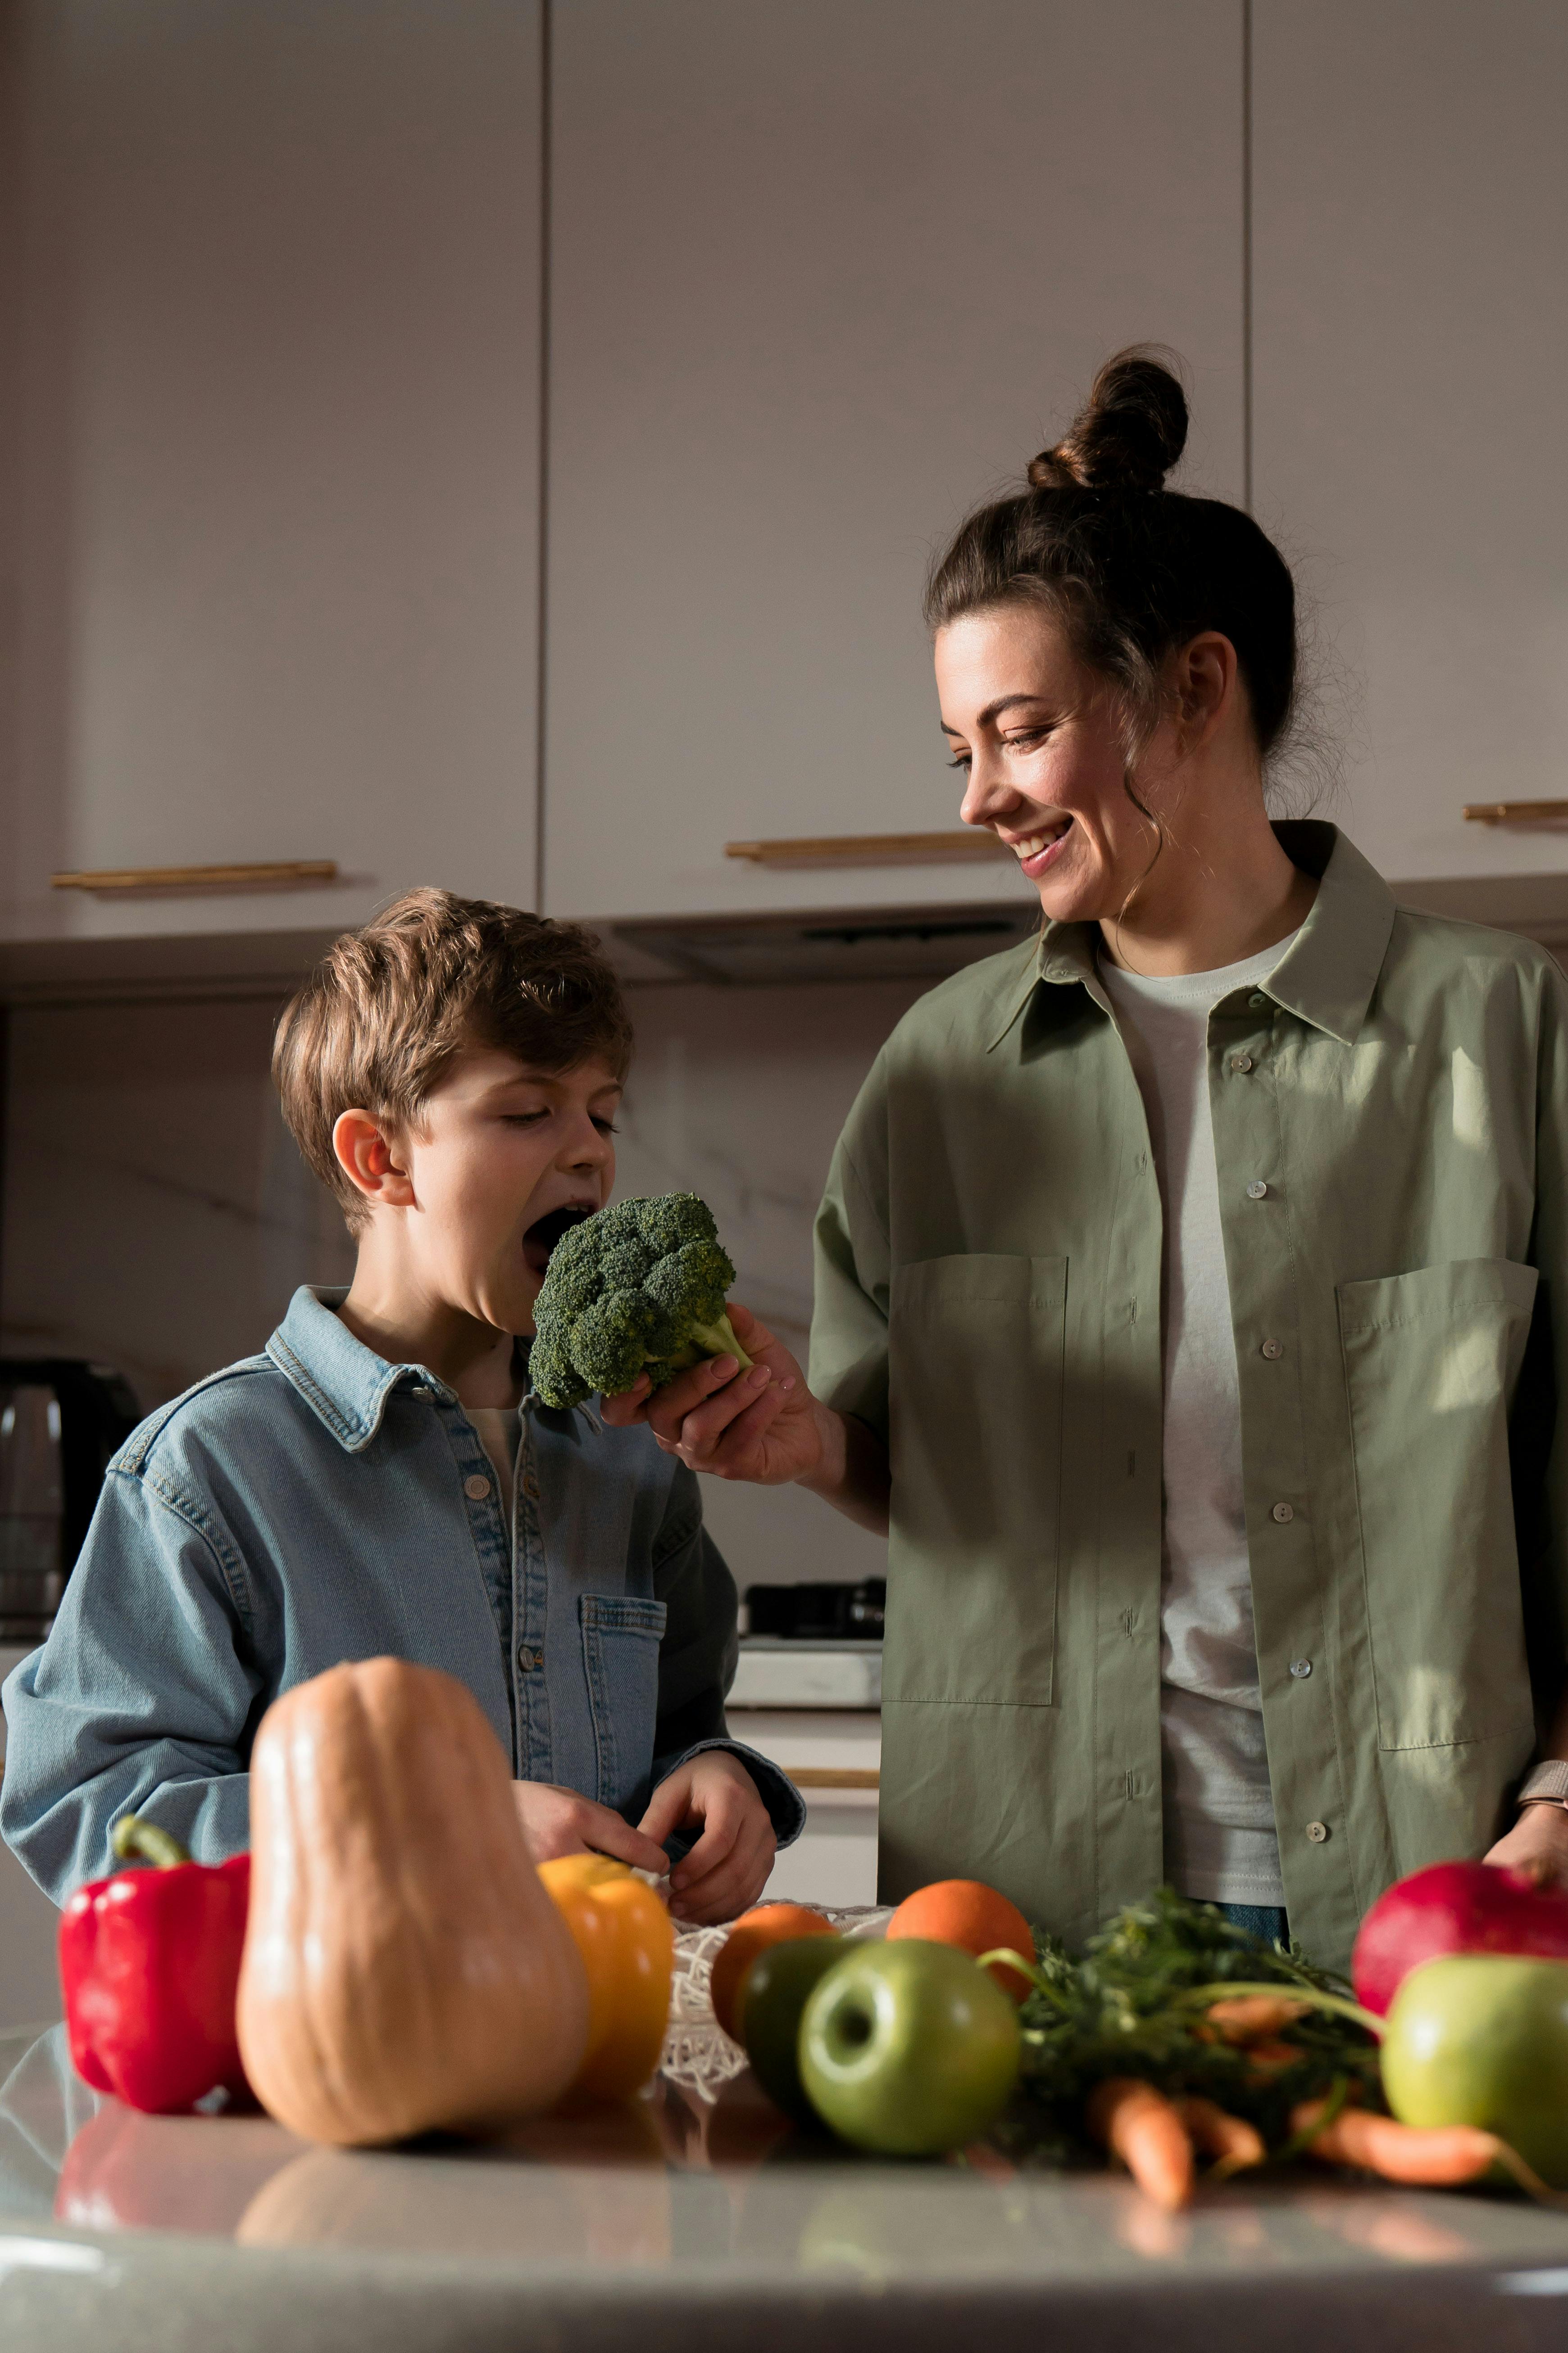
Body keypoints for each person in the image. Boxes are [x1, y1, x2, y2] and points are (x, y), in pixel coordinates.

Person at [603, 350, 1568, 1975]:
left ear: (1195, 690)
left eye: (1023, 730)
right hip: (1020, 1917)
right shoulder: (943, 1074)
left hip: (1440, 1913)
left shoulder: (1501, 1031)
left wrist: (1556, 1810)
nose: (981, 795)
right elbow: (929, 1476)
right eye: (956, 749)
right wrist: (811, 1438)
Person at [0, 890, 800, 1920]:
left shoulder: (628, 1457)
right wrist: (432, 1822)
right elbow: (90, 1808)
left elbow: (684, 1722)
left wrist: (718, 1776)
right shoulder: (212, 1468)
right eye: (526, 1111)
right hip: (331, 2065)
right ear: (380, 1159)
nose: (591, 1149)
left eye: (602, 1111)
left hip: (596, 2034)